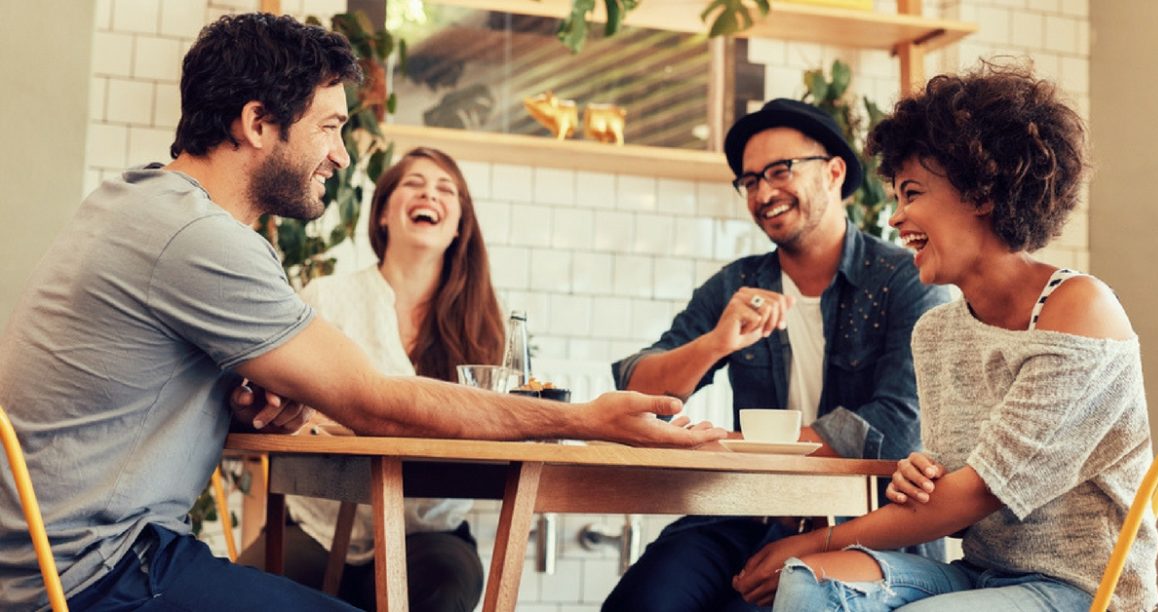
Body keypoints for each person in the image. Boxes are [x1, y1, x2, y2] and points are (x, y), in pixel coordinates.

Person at [0, 14, 723, 611]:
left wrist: (241, 398)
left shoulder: (136, 203)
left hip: (61, 554)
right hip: (95, 572)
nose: (343, 157)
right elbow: (376, 404)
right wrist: (583, 420)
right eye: (329, 128)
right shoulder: (201, 239)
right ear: (257, 122)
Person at [737, 64, 1158, 612]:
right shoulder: (937, 331)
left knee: (819, 563)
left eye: (911, 193)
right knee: (807, 580)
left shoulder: (1079, 309)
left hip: (1078, 590)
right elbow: (947, 484)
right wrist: (920, 474)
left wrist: (814, 539)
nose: (895, 217)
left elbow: (976, 495)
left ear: (981, 190)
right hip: (977, 573)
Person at [603, 98, 950, 612]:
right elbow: (639, 387)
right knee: (640, 603)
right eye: (749, 181)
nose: (763, 193)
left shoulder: (905, 280)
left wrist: (744, 447)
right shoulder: (738, 284)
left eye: (780, 171)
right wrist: (715, 342)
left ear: (834, 173)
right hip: (740, 509)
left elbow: (899, 425)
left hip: (862, 527)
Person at [236, 147, 500, 611]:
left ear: (460, 225)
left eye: (446, 190)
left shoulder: (484, 326)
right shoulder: (327, 297)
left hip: (429, 532)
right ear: (382, 214)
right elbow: (286, 412)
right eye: (414, 184)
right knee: (244, 593)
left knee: (446, 584)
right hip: (316, 522)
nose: (429, 195)